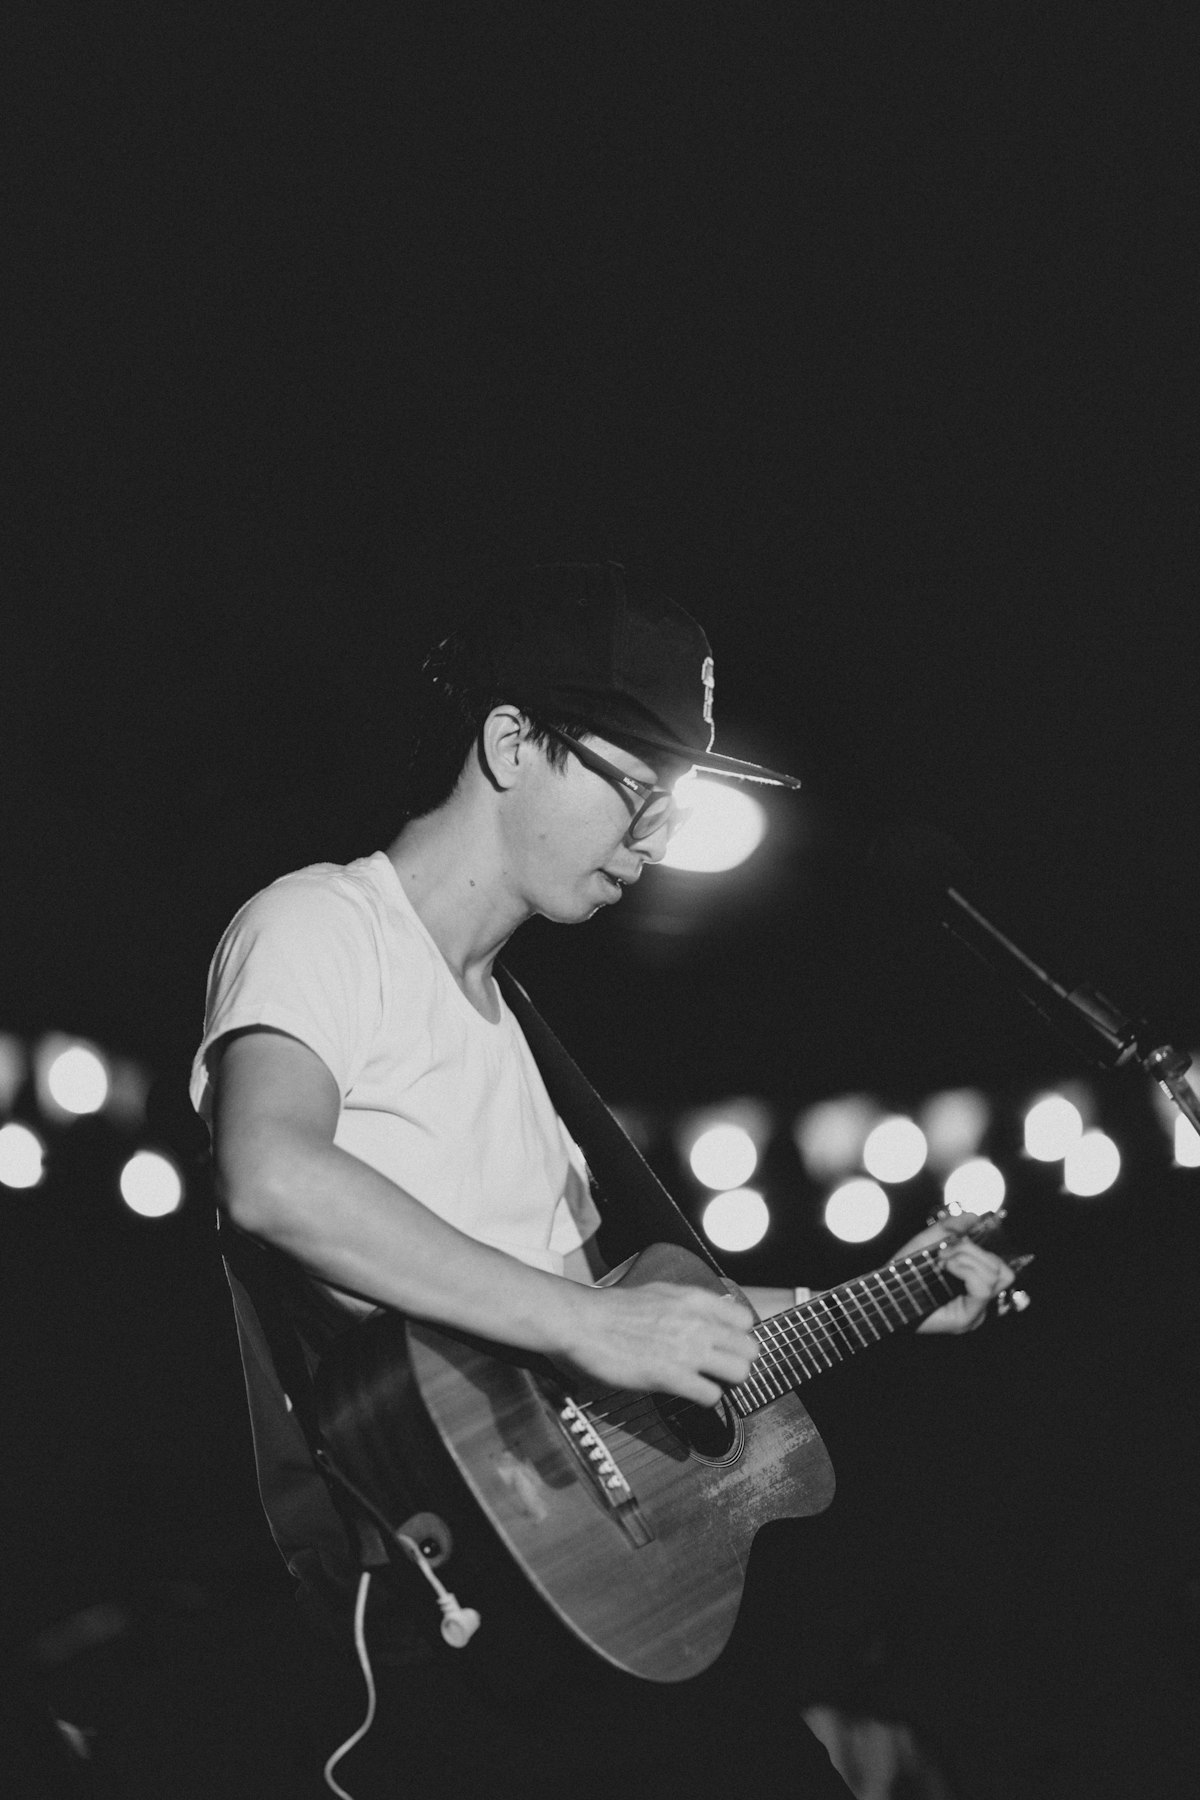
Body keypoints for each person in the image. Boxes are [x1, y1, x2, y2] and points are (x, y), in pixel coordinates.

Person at [191, 561, 1013, 1798]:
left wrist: (877, 1295)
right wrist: (588, 1319)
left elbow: (635, 1334)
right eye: (641, 791)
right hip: (443, 1608)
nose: (657, 840)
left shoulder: (524, 1049)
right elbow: (271, 1173)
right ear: (513, 742)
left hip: (589, 1594)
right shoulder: (322, 926)